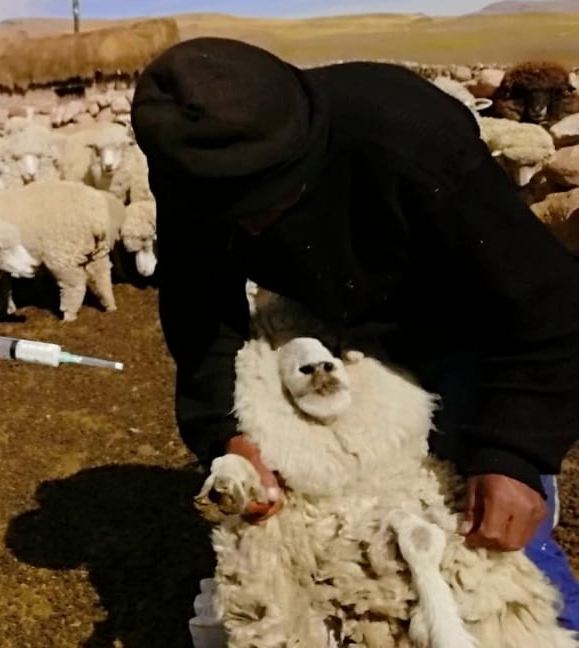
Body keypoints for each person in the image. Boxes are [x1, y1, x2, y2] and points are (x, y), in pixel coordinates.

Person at [131, 36, 579, 627]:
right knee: (335, 537)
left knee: (500, 546)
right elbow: (199, 306)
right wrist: (224, 432)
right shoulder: (193, 171)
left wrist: (514, 452)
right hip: (338, 338)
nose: (258, 222)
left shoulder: (406, 136)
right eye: (237, 209)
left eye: (274, 195)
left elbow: (548, 303)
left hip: (468, 325)